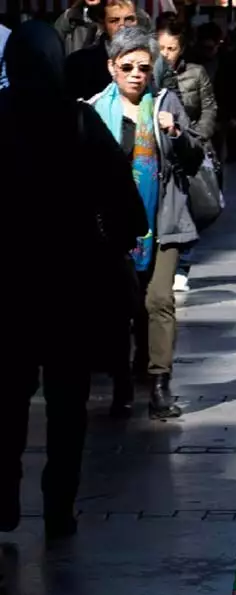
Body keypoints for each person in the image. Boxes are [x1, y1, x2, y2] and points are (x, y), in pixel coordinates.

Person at [1, 20, 147, 538]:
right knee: (67, 406)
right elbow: (131, 213)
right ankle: (59, 505)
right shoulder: (80, 123)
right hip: (71, 292)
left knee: (8, 399)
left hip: (9, 294)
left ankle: (5, 496)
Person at [89, 26, 203, 420]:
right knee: (120, 307)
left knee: (158, 301)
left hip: (164, 219)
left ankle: (158, 383)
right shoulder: (92, 111)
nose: (136, 73)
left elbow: (194, 158)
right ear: (111, 68)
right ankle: (123, 383)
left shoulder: (165, 103)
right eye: (127, 66)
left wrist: (175, 133)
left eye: (144, 66)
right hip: (114, 225)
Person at [157, 15, 219, 293]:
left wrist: (198, 136)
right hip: (162, 148)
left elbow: (208, 108)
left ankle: (184, 264)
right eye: (162, 48)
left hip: (190, 147)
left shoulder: (196, 73)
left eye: (172, 48)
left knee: (193, 205)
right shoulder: (149, 72)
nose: (166, 54)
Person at [65, 0, 140, 100]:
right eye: (114, 20)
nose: (123, 26)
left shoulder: (151, 59)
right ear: (103, 24)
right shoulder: (79, 63)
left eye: (129, 19)